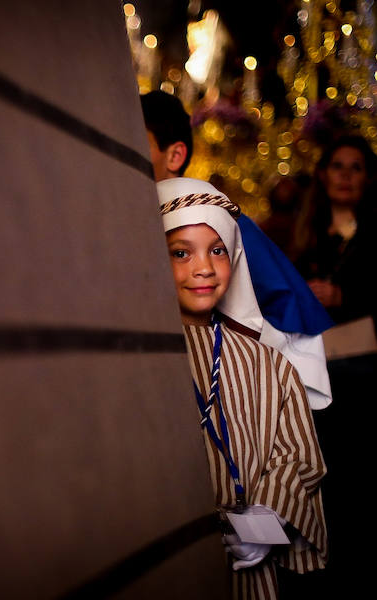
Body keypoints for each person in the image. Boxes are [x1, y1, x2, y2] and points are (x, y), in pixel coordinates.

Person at [159, 177, 328, 600]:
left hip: (249, 571)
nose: (204, 267)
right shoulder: (132, 359)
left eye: (218, 250)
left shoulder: (267, 363)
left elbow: (296, 455)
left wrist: (266, 516)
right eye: (181, 252)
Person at [141, 91, 334, 409]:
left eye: (137, 145)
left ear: (174, 155)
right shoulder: (125, 219)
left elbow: (284, 309)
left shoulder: (221, 222)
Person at [294, 135, 377, 326]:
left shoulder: (372, 234)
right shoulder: (307, 233)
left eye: (356, 168)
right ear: (323, 175)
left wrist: (342, 298)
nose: (345, 175)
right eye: (337, 166)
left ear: (368, 178)